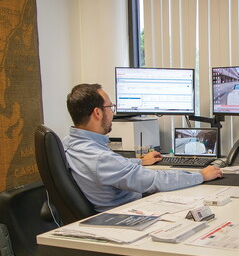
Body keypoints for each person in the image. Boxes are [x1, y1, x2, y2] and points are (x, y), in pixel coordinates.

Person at [64, 83, 222, 212]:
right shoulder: (101, 159)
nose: (113, 113)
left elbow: (112, 167)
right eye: (110, 107)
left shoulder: (68, 143)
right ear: (98, 113)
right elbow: (155, 180)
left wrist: (139, 162)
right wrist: (201, 176)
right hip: (126, 214)